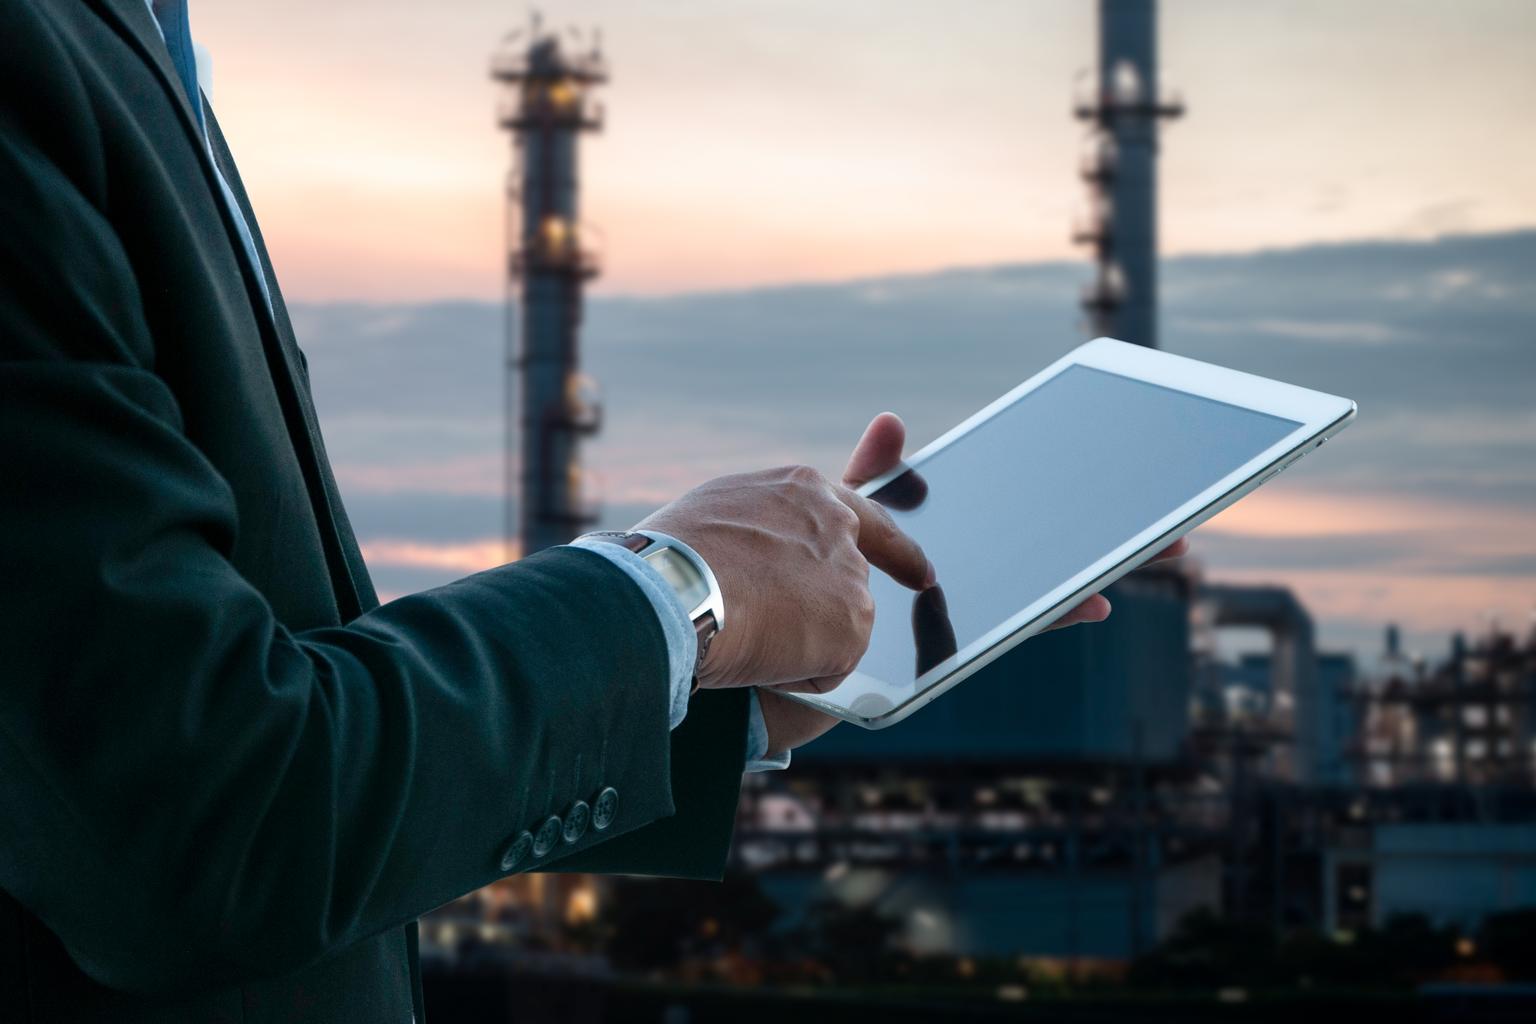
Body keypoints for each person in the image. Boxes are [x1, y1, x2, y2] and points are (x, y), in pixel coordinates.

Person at [0, 2, 1186, 1020]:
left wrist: (740, 692)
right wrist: (680, 589)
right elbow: (209, 820)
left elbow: (235, 713)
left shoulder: (132, 38)